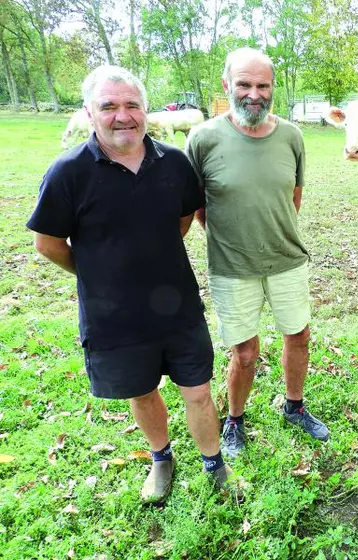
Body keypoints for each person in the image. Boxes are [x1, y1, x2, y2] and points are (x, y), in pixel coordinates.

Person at [26, 65, 235, 504]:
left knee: (197, 390)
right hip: (112, 315)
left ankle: (214, 463)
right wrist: (98, 271)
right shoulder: (68, 173)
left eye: (132, 105)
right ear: (89, 112)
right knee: (141, 391)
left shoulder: (174, 163)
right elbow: (47, 243)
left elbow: (183, 219)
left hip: (177, 305)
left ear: (145, 109)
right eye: (109, 106)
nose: (123, 116)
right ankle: (161, 458)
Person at [186, 47, 330, 458]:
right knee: (245, 353)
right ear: (227, 85)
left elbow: (293, 197)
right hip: (232, 267)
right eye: (244, 84)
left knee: (298, 335)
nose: (254, 93)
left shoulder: (292, 136)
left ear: (272, 88)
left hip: (286, 259)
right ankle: (234, 420)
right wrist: (233, 238)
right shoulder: (204, 138)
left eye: (262, 85)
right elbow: (197, 206)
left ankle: (295, 406)